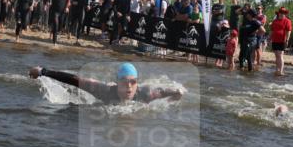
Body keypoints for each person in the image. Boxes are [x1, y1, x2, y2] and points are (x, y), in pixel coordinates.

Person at [29, 62, 182, 104]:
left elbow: (166, 91)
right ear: (117, 82)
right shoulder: (103, 91)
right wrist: (43, 72)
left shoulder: (146, 94)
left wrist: (177, 93)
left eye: (133, 82)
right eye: (124, 82)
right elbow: (73, 80)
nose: (129, 86)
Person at [268, 7, 292, 76]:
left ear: (285, 14)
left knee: (280, 54)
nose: (282, 14)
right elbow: (272, 31)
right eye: (281, 13)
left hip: (282, 40)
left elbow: (288, 31)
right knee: (276, 55)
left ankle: (281, 71)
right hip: (275, 40)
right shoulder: (275, 21)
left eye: (283, 13)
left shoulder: (287, 21)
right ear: (278, 13)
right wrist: (269, 39)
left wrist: (287, 40)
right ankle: (277, 69)